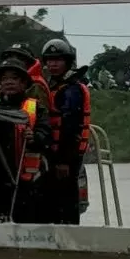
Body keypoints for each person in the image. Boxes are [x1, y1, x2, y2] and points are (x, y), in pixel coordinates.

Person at [0, 57, 50, 223]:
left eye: (14, 78)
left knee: (28, 219)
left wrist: (34, 137)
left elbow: (46, 137)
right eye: (4, 79)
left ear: (24, 84)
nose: (9, 82)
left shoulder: (36, 107)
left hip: (28, 180)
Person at [41, 38, 91, 225]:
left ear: (67, 62)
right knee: (53, 200)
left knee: (66, 200)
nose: (53, 64)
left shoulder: (72, 90)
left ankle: (69, 237)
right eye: (50, 60)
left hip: (66, 156)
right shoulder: (52, 86)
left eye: (58, 60)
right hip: (53, 153)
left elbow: (70, 127)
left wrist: (64, 160)